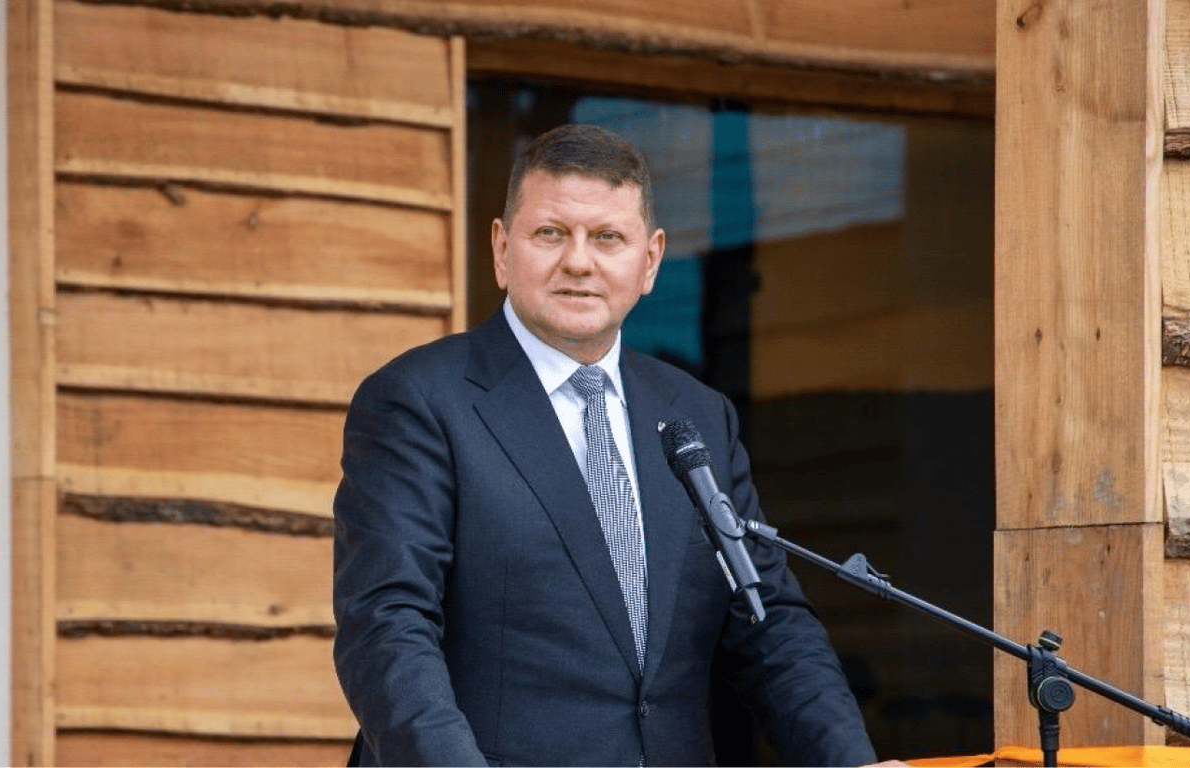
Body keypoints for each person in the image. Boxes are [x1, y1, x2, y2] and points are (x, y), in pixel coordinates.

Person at [333, 123, 877, 767]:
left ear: (650, 261)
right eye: (550, 233)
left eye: (607, 237)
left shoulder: (699, 416)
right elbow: (387, 627)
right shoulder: (419, 400)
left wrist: (853, 763)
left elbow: (770, 626)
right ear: (502, 249)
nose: (578, 262)